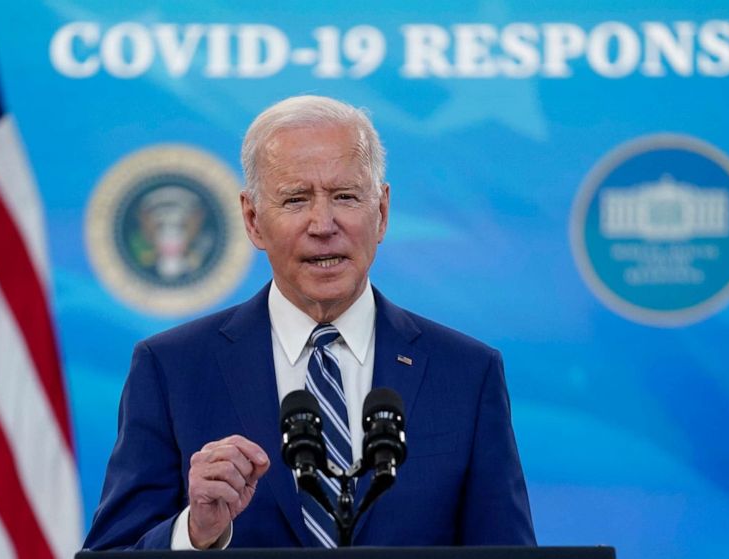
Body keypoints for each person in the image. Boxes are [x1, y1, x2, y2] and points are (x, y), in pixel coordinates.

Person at [83, 95, 536, 550]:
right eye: (296, 199)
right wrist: (193, 533)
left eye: (345, 196)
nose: (324, 223)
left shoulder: (466, 373)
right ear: (253, 219)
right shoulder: (172, 369)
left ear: (381, 211)